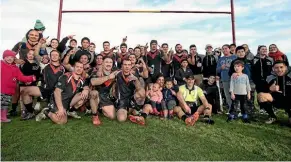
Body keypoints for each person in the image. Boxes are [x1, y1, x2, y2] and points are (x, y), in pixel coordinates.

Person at [1, 50, 35, 122]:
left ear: (14, 58)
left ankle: (3, 117)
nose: (9, 59)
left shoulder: (15, 68)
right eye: (7, 57)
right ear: (4, 57)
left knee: (5, 103)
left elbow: (21, 77)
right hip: (1, 89)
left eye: (11, 57)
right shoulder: (1, 65)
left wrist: (31, 78)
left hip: (9, 90)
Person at [228, 46, 255, 115]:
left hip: (249, 82)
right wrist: (233, 73)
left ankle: (250, 113)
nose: (241, 53)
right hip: (238, 84)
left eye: (242, 51)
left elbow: (253, 72)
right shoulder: (234, 62)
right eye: (239, 52)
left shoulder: (249, 61)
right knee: (236, 99)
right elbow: (230, 72)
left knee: (249, 98)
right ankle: (235, 113)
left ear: (245, 52)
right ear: (236, 53)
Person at [252, 45, 273, 118]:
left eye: (265, 49)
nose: (264, 50)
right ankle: (262, 108)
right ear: (258, 50)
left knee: (268, 94)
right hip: (258, 80)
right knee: (260, 94)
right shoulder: (254, 59)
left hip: (268, 81)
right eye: (262, 49)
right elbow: (252, 70)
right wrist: (254, 79)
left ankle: (269, 108)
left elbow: (273, 70)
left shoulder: (270, 60)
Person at [216, 44, 237, 113]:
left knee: (236, 94)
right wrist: (221, 68)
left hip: (235, 79)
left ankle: (238, 109)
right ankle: (231, 109)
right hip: (225, 79)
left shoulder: (234, 57)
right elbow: (217, 70)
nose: (224, 50)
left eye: (226, 48)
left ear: (229, 49)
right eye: (223, 49)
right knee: (228, 95)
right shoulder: (220, 59)